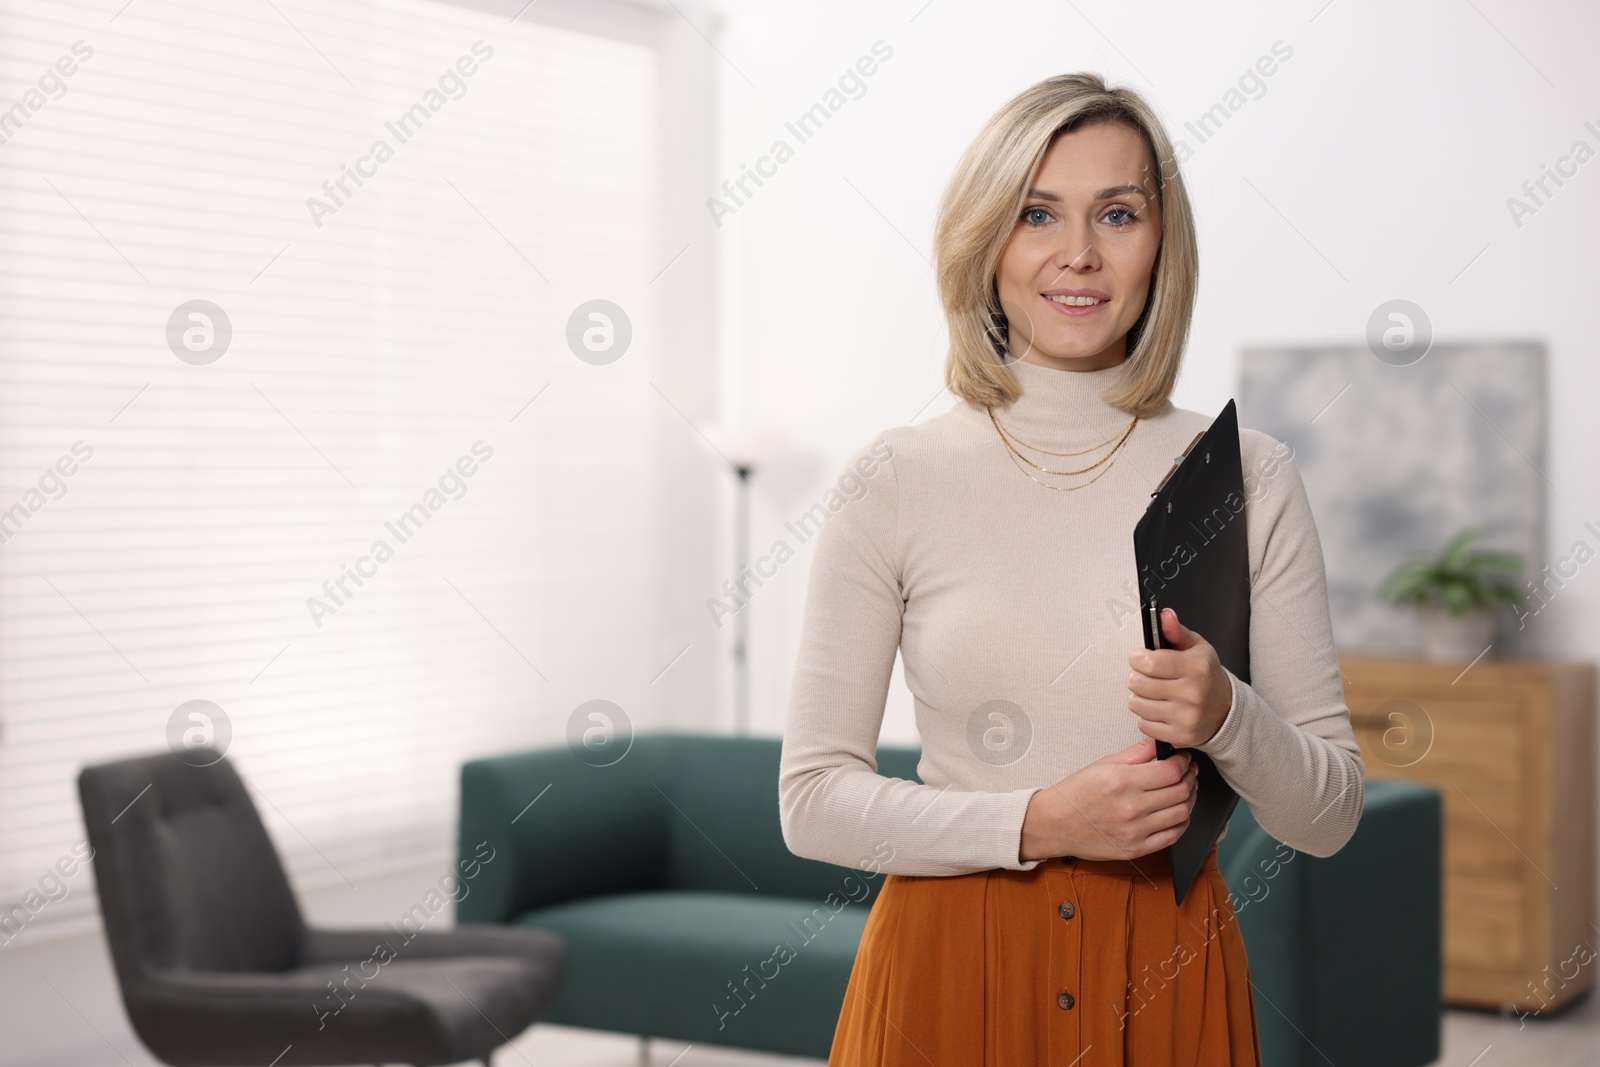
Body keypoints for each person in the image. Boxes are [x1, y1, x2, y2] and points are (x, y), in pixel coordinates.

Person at [777, 72, 1365, 1066]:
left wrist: (1227, 712)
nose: (1077, 252)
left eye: (1118, 212)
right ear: (985, 241)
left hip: (1165, 967)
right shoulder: (893, 477)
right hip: (946, 972)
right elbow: (811, 803)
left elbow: (1328, 816)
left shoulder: (1248, 476)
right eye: (1036, 212)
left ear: (1160, 244)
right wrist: (1041, 818)